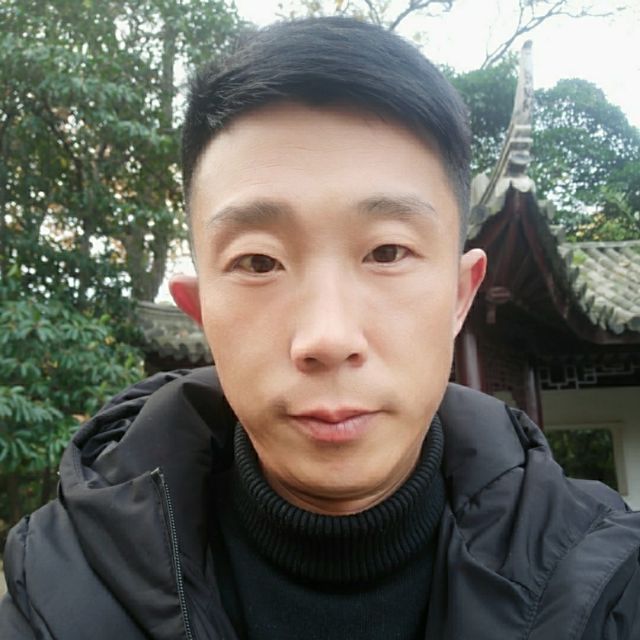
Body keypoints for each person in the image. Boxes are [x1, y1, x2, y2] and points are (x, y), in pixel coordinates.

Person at [1, 16, 639, 640]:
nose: (328, 338)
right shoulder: (58, 598)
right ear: (201, 313)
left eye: (387, 252)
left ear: (459, 296)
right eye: (258, 262)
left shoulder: (607, 586)